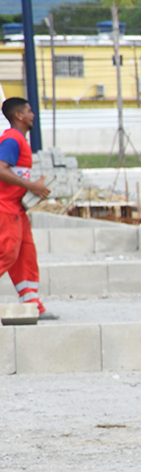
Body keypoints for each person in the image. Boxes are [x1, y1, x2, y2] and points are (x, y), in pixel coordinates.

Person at [0, 97, 52, 318]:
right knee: (6, 254)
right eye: (29, 111)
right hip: (6, 208)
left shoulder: (20, 141)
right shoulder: (12, 140)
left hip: (18, 210)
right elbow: (1, 169)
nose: (33, 115)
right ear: (19, 115)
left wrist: (32, 192)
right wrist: (31, 185)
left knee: (25, 255)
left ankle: (32, 305)